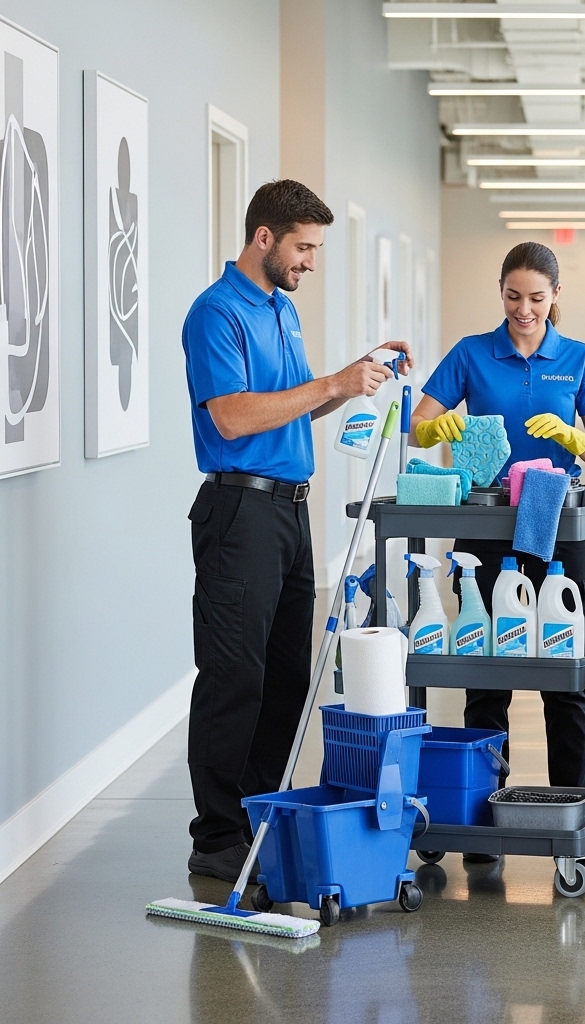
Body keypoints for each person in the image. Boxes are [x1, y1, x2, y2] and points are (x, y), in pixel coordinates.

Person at [181, 179, 412, 882]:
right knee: (234, 678)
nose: (310, 261)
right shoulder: (216, 313)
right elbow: (232, 417)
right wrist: (332, 382)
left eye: (315, 248)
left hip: (289, 511)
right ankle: (217, 837)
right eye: (304, 247)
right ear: (264, 238)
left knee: (286, 679)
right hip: (239, 513)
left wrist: (351, 380)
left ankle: (258, 815)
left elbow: (284, 407)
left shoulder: (282, 311)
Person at [410, 241, 585, 805]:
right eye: (512, 296)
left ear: (556, 296)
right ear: (500, 292)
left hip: (558, 525)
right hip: (485, 523)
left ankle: (572, 807)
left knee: (564, 675)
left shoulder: (577, 359)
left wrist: (574, 437)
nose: (524, 310)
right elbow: (417, 425)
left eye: (536, 298)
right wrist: (437, 431)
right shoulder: (473, 353)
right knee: (486, 674)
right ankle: (481, 807)